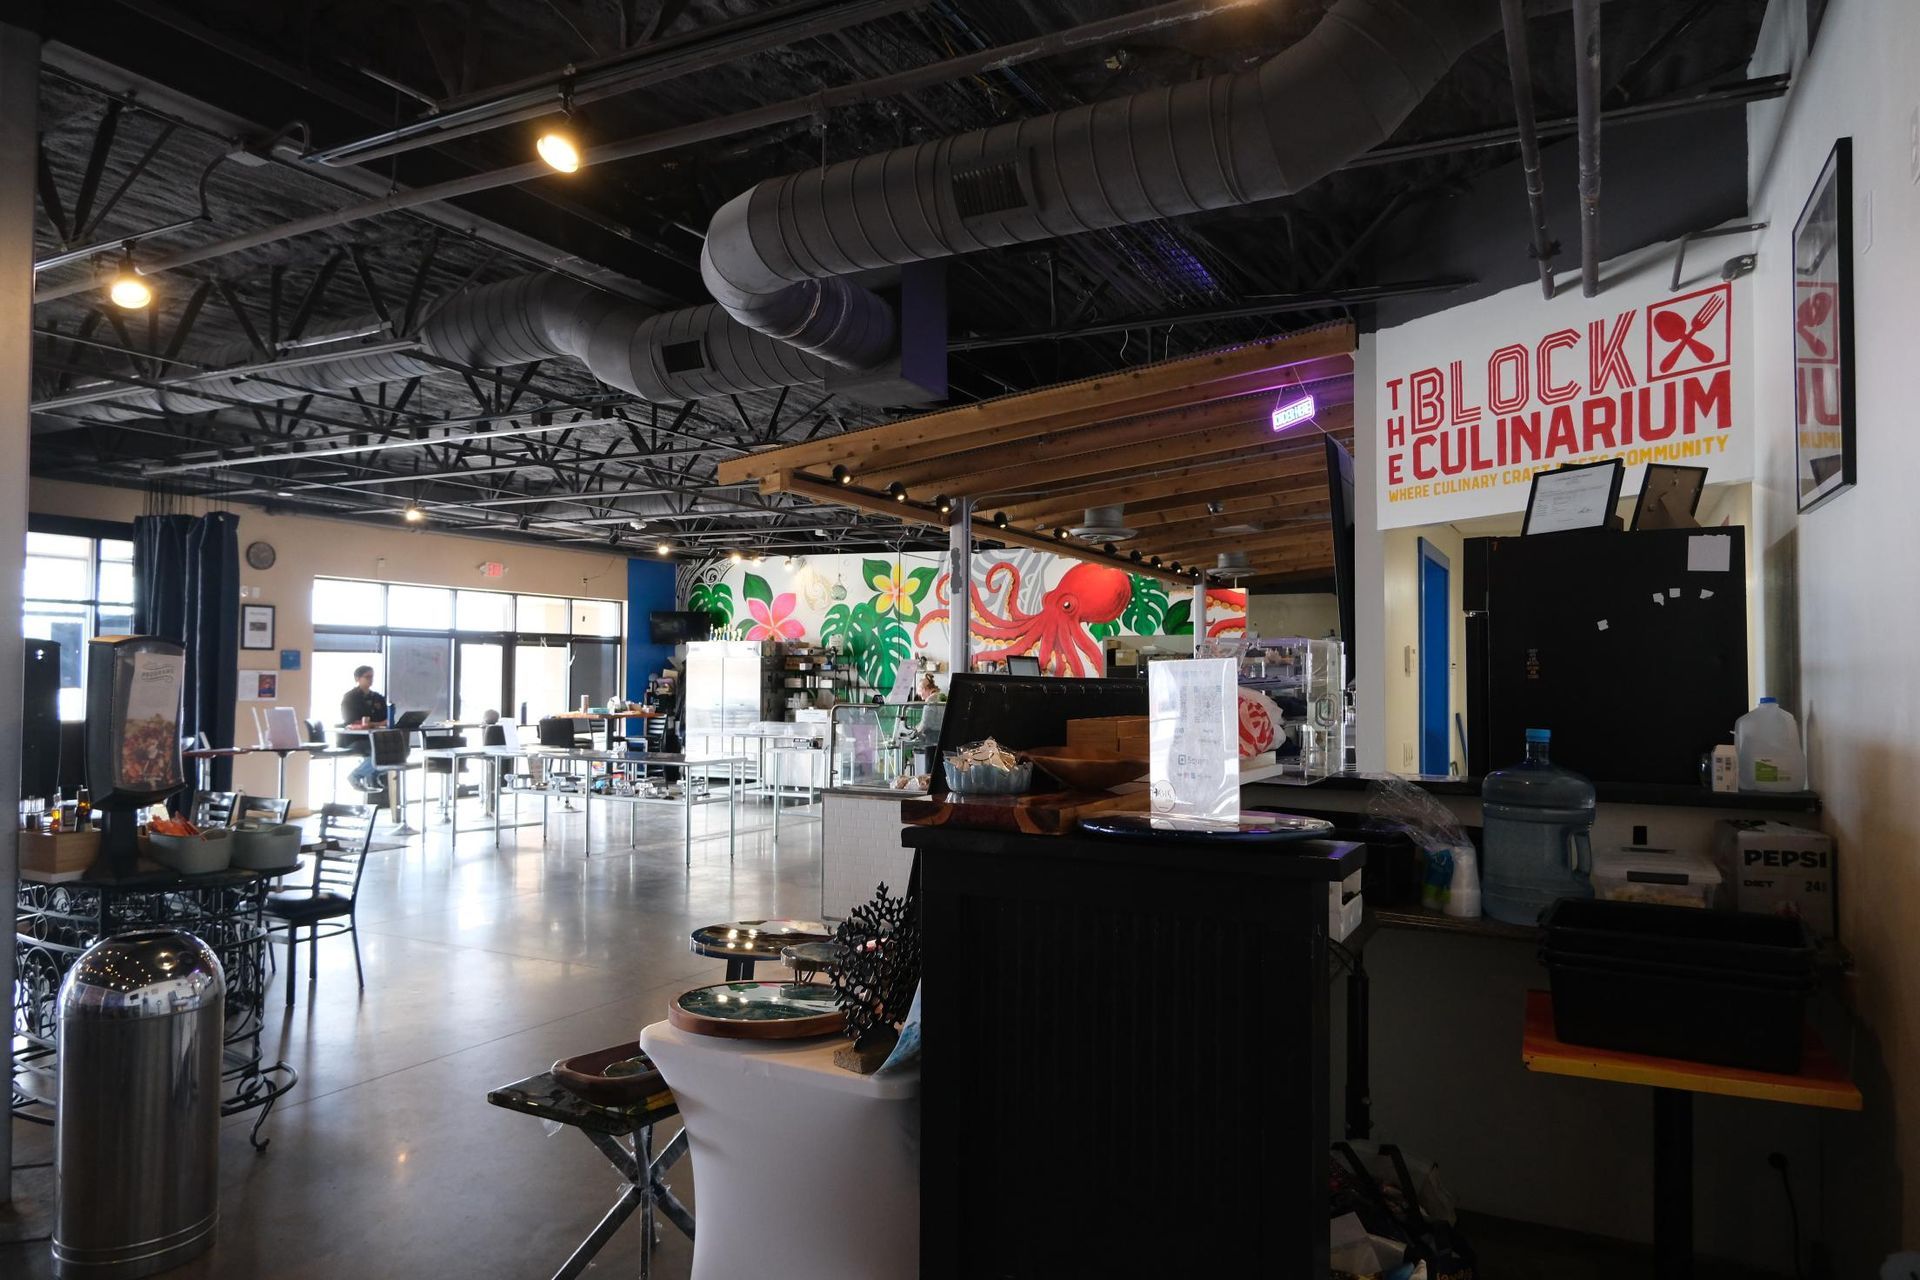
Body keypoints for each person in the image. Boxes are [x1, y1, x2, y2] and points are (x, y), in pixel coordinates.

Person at [340, 666, 388, 794]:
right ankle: (356, 775)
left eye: (372, 677)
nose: (370, 680)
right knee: (378, 751)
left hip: (376, 737)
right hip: (357, 739)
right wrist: (376, 724)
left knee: (399, 750)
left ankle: (373, 773)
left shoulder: (378, 698)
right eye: (367, 677)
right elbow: (350, 720)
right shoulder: (350, 698)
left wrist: (381, 723)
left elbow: (385, 718)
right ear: (357, 678)